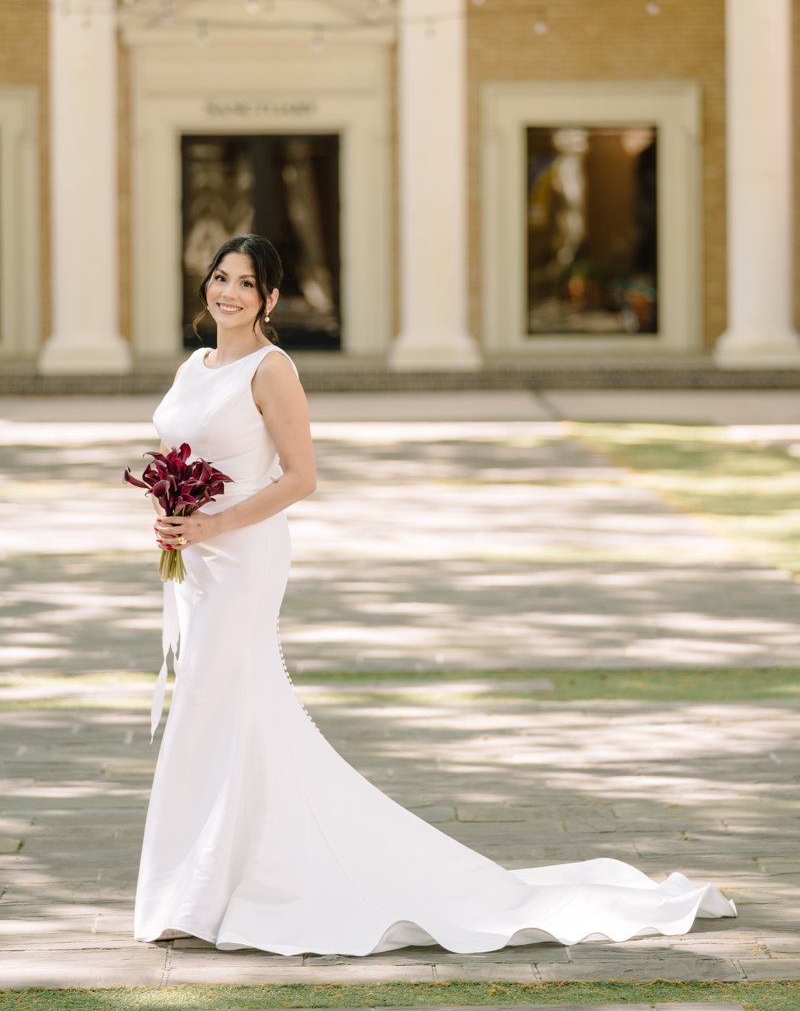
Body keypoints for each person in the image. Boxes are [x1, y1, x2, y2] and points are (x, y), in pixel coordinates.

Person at [133, 233, 736, 955]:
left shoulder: (273, 369)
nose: (227, 292)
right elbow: (183, 454)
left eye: (245, 283)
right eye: (220, 277)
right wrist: (174, 518)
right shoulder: (194, 364)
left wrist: (217, 523)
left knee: (218, 699)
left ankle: (213, 891)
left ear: (269, 298)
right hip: (197, 560)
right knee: (216, 707)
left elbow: (301, 477)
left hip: (244, 556)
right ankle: (200, 884)